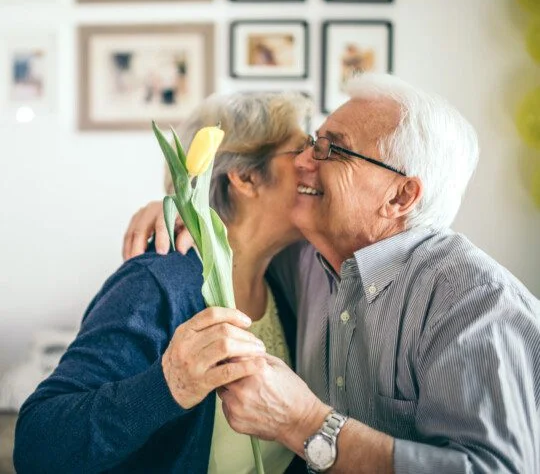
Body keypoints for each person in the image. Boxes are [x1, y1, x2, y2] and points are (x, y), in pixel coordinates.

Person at [124, 73, 540, 473]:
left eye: (332, 150)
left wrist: (305, 424)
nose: (304, 162)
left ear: (400, 195)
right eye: (311, 143)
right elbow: (239, 232)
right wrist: (183, 210)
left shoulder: (476, 301)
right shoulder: (304, 256)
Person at [14, 91, 313, 473]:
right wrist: (168, 386)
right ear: (246, 177)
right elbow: (37, 446)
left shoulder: (289, 278)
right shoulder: (157, 284)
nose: (313, 164)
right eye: (300, 150)